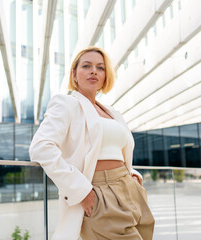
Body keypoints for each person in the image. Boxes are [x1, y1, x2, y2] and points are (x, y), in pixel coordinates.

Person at [29, 46, 154, 240]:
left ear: (105, 76)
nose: (94, 71)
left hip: (129, 189)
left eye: (100, 68)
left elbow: (117, 151)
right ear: (74, 74)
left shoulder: (113, 112)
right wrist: (82, 190)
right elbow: (41, 147)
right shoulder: (66, 104)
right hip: (99, 193)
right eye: (86, 66)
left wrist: (132, 176)